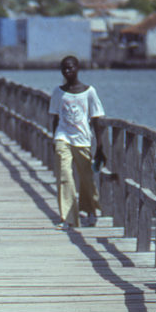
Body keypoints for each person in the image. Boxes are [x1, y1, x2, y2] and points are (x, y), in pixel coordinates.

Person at [48, 55, 106, 230]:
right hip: (63, 137)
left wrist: (100, 147)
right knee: (65, 176)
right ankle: (68, 218)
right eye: (64, 68)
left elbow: (96, 120)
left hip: (82, 140)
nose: (67, 71)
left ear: (77, 68)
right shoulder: (58, 92)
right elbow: (55, 118)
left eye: (70, 68)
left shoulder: (89, 92)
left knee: (86, 178)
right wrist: (54, 139)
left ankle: (90, 211)